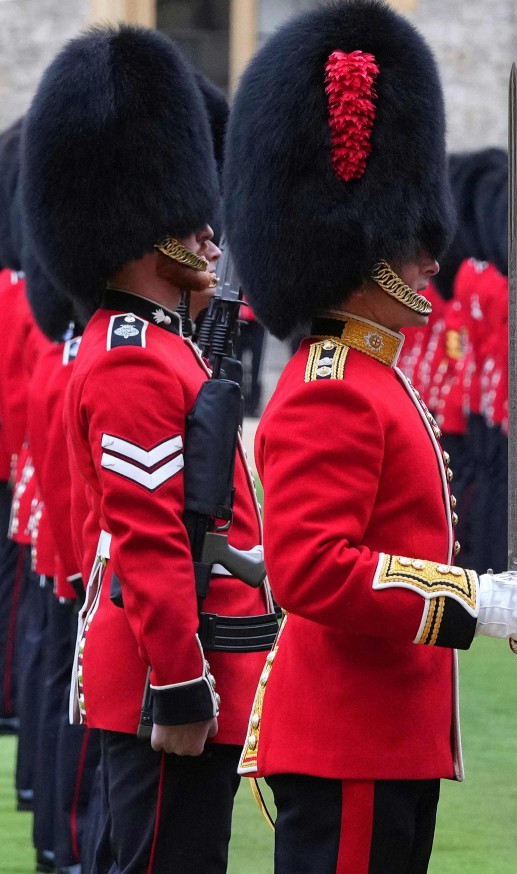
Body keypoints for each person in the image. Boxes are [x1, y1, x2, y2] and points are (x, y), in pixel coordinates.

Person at [222, 3, 517, 871]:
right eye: (411, 247)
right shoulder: (332, 390)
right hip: (349, 741)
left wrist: (482, 590)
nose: (428, 263)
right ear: (364, 251)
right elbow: (309, 568)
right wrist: (471, 602)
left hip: (390, 738)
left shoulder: (378, 378)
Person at [20, 24, 278, 873]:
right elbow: (150, 536)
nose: (211, 235)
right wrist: (179, 682)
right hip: (162, 677)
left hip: (183, 661)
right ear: (145, 224)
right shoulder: (132, 359)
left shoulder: (163, 343)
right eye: (193, 220)